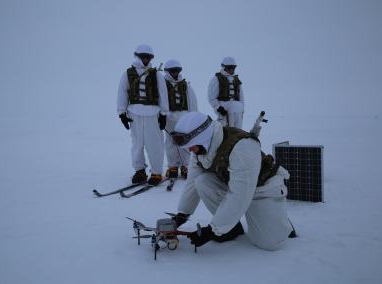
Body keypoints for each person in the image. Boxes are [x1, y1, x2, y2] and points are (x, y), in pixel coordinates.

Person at [170, 112, 296, 250]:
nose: (190, 150)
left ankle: (279, 220)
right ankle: (231, 228)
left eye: (191, 145)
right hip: (235, 186)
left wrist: (212, 230)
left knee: (270, 243)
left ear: (203, 137)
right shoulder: (201, 150)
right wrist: (182, 214)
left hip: (262, 191)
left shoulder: (242, 147)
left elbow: (239, 195)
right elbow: (192, 182)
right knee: (202, 181)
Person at [117, 44, 169, 185]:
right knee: (137, 144)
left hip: (153, 113)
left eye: (148, 57)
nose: (146, 59)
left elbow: (163, 93)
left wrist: (164, 113)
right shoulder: (128, 73)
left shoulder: (156, 74)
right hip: (134, 114)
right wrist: (122, 113)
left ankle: (157, 173)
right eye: (143, 57)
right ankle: (139, 171)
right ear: (138, 57)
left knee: (155, 144)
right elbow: (122, 92)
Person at [163, 59, 198, 179]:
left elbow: (192, 102)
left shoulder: (185, 85)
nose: (175, 73)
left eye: (177, 70)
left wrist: (193, 118)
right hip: (169, 118)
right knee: (170, 142)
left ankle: (185, 166)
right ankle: (172, 166)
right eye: (173, 71)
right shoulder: (162, 85)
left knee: (184, 141)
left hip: (184, 118)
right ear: (167, 71)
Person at [208, 56, 245, 129]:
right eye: (229, 67)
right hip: (225, 111)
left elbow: (241, 97)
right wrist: (218, 108)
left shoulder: (236, 80)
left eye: (233, 68)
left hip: (237, 111)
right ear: (224, 67)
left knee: (238, 132)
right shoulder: (216, 79)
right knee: (226, 133)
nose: (231, 70)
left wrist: (242, 109)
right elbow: (211, 98)